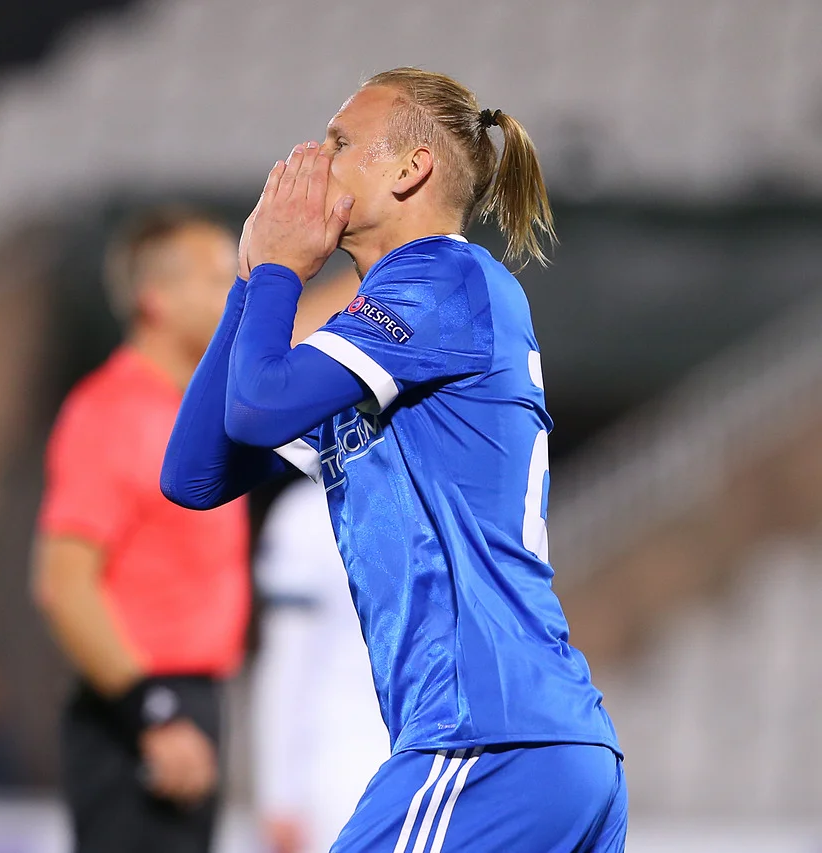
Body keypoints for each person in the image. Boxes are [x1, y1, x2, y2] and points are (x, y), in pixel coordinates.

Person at [161, 68, 626, 852]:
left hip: (484, 740)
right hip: (534, 744)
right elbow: (196, 473)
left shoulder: (443, 280)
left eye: (341, 141)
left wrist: (277, 272)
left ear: (412, 169)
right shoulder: (389, 341)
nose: (316, 157)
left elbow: (258, 403)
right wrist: (249, 281)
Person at [33, 209, 249, 853]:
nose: (237, 292)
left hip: (190, 703)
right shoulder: (110, 412)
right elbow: (65, 584)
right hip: (139, 713)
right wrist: (155, 716)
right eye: (219, 278)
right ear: (157, 299)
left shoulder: (190, 407)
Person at [252, 477, 389, 853]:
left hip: (345, 766)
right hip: (350, 758)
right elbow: (288, 663)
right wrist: (279, 790)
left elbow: (285, 664)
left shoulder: (306, 512)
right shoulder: (308, 514)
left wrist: (277, 792)